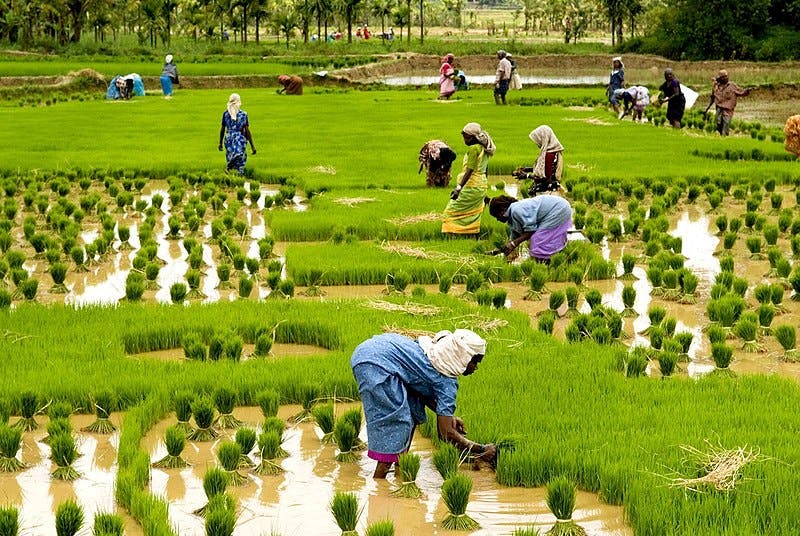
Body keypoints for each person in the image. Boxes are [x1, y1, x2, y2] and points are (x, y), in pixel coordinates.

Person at [350, 330, 497, 478]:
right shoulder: (447, 381)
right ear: (462, 357)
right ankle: (379, 484)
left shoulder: (433, 354)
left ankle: (402, 470)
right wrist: (481, 449)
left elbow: (419, 387)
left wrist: (448, 416)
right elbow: (445, 433)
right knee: (399, 423)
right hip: (375, 365)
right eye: (474, 362)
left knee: (412, 411)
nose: (475, 368)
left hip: (369, 351)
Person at [442, 122, 495, 235]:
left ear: (473, 138)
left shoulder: (473, 149)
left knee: (450, 212)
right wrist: (483, 191)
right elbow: (485, 170)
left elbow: (469, 170)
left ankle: (453, 235)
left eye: (466, 137)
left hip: (471, 186)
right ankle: (471, 234)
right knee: (472, 213)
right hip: (480, 186)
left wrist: (458, 188)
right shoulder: (484, 149)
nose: (464, 140)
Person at [487, 194, 573, 263]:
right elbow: (514, 239)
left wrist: (513, 244)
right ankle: (553, 261)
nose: (498, 220)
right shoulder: (512, 218)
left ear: (502, 210)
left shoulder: (516, 210)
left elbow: (531, 231)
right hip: (559, 207)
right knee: (541, 241)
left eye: (496, 216)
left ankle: (543, 266)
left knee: (537, 240)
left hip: (558, 209)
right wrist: (499, 251)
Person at [512, 125, 564, 196]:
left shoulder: (549, 155)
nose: (537, 144)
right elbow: (546, 170)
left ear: (544, 139)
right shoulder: (554, 151)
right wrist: (528, 169)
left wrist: (527, 176)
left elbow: (546, 179)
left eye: (538, 140)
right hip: (551, 191)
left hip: (546, 193)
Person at [218, 93, 256, 175]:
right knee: (239, 157)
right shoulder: (243, 114)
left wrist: (220, 143)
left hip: (228, 139)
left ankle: (232, 173)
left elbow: (222, 129)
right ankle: (233, 171)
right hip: (240, 140)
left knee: (232, 156)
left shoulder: (226, 114)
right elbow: (247, 131)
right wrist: (252, 146)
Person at [707, 70, 750, 136]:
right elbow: (713, 97)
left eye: (726, 76)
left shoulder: (732, 86)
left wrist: (747, 91)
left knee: (726, 124)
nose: (726, 78)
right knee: (718, 124)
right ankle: (720, 136)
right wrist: (707, 108)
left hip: (728, 110)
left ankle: (725, 137)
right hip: (719, 109)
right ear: (720, 78)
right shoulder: (716, 86)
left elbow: (741, 92)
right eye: (723, 77)